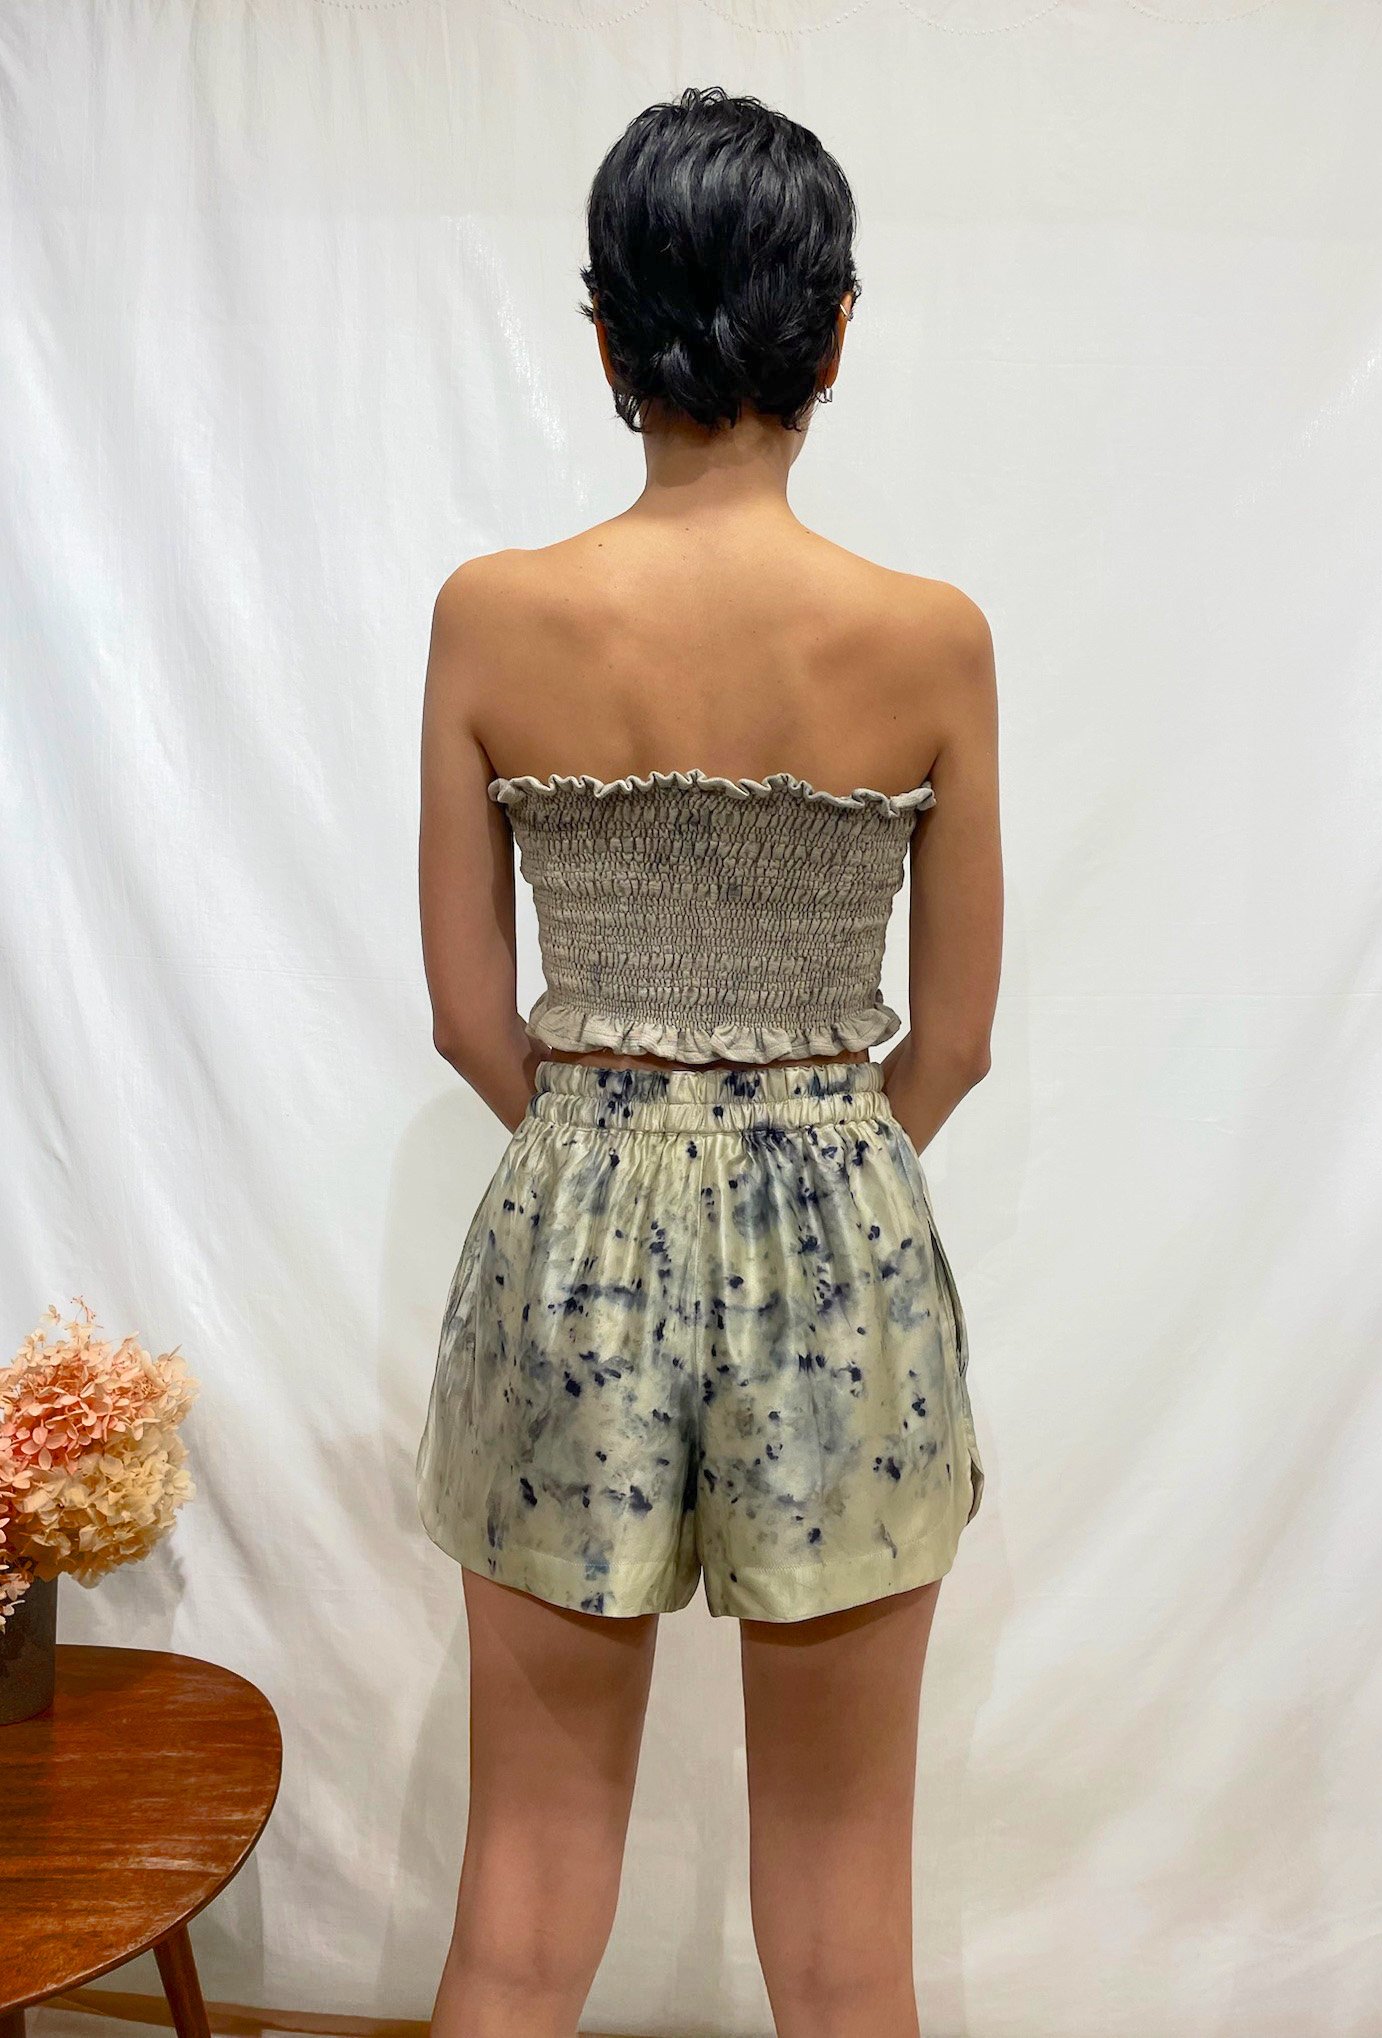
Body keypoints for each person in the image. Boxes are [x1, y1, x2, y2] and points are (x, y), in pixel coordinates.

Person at [414, 84, 1002, 2038]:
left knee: (518, 1917)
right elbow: (957, 1035)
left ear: (606, 335)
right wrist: (817, 1156)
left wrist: (607, 1144)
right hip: (844, 1238)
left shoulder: (493, 617)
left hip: (565, 1225)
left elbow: (466, 1013)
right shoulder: (928, 639)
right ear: (830, 335)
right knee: (842, 1942)